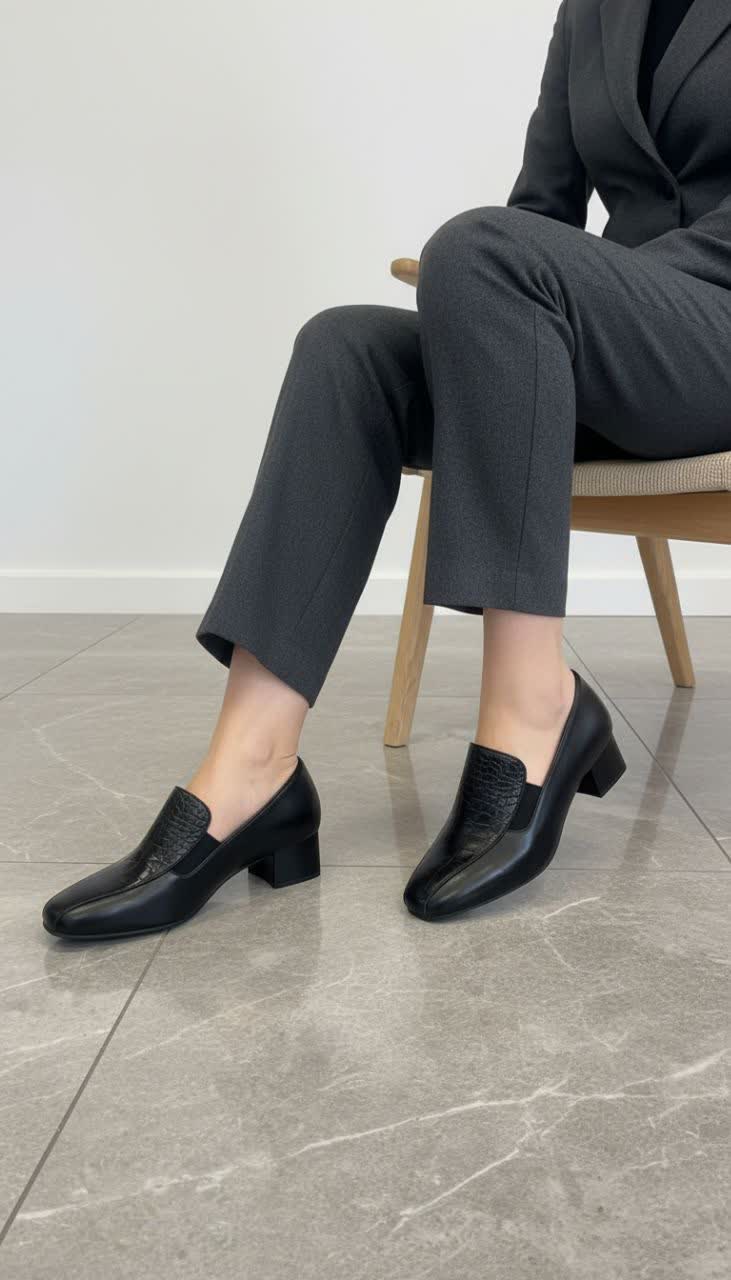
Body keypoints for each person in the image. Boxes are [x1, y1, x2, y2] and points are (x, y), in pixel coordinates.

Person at [43, 0, 731, 938]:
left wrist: (549, 281)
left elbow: (522, 251)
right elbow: (542, 209)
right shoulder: (595, 8)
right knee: (347, 351)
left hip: (712, 337)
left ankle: (537, 707)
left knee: (481, 249)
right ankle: (254, 767)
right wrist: (506, 297)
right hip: (610, 339)